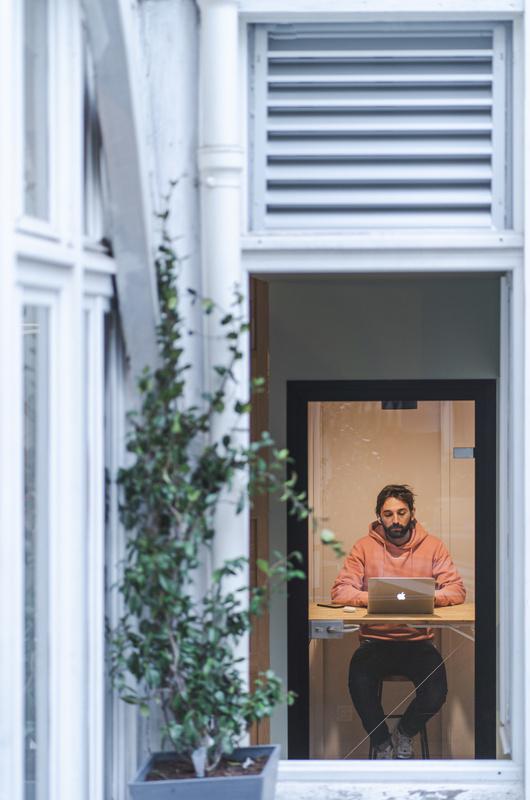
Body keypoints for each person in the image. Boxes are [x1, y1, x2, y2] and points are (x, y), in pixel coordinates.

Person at [331, 484, 466, 760]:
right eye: (388, 514)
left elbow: (456, 590)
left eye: (401, 513)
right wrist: (376, 598)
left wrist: (427, 598)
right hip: (375, 644)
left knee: (436, 692)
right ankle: (383, 744)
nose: (395, 520)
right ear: (379, 517)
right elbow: (340, 591)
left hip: (418, 644)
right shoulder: (364, 547)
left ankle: (403, 734)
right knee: (359, 683)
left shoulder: (433, 546)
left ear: (412, 513)